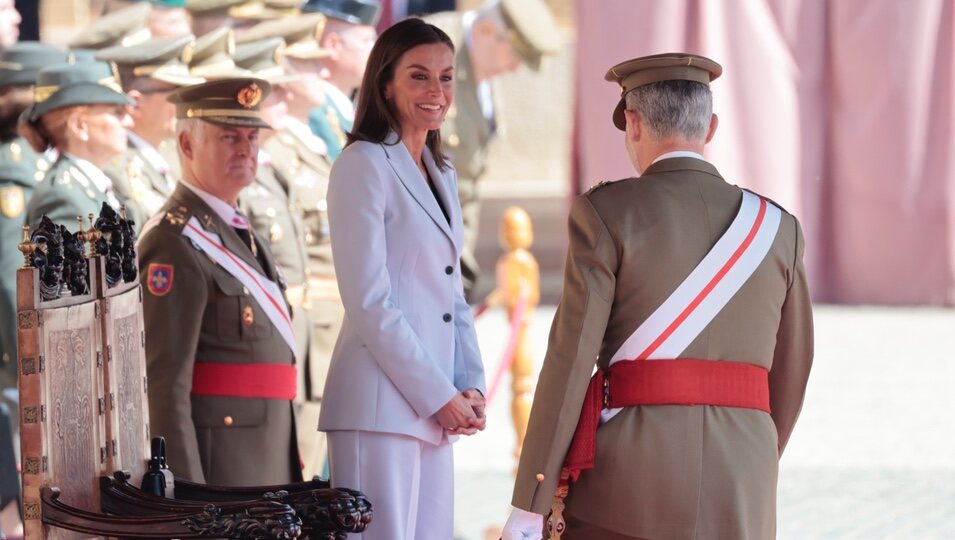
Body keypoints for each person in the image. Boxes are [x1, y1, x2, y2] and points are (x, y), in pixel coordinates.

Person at [503, 53, 814, 540]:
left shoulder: (606, 213)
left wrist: (531, 499)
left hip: (630, 474)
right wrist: (750, 449)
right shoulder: (777, 228)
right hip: (744, 473)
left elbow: (570, 357)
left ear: (632, 123)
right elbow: (792, 372)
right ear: (709, 128)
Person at [318, 17, 486, 539]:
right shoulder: (363, 164)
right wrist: (439, 394)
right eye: (419, 76)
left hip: (435, 410)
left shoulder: (443, 172)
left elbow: (451, 294)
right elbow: (369, 302)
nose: (436, 91)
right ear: (384, 83)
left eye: (447, 77)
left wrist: (470, 383)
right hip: (380, 406)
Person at [137, 77, 302, 486]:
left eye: (251, 136)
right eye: (229, 137)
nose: (246, 148)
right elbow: (164, 385)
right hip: (218, 470)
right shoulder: (173, 241)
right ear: (187, 145)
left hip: (265, 454)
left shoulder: (243, 233)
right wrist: (187, 492)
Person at [233, 36, 331, 478]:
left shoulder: (274, 162)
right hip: (273, 334)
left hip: (303, 328)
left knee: (307, 463)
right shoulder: (262, 164)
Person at [425, 0, 560, 301]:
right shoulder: (429, 50)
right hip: (417, 255)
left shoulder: (480, 68)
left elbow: (466, 181)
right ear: (486, 30)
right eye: (514, 56)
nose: (514, 68)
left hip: (450, 253)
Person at [0, 42, 70, 392]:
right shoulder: (14, 167)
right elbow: (13, 273)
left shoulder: (32, 161)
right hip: (18, 366)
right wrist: (30, 365)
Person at [96, 34, 204, 226]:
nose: (185, 104)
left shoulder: (169, 154)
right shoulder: (118, 170)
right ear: (135, 103)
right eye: (175, 95)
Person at [22, 62, 134, 230]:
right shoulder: (62, 196)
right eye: (116, 113)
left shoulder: (101, 182)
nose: (129, 122)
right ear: (79, 125)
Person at [301, 0, 381, 160]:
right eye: (366, 41)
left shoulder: (344, 108)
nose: (376, 51)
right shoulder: (317, 112)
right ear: (333, 45)